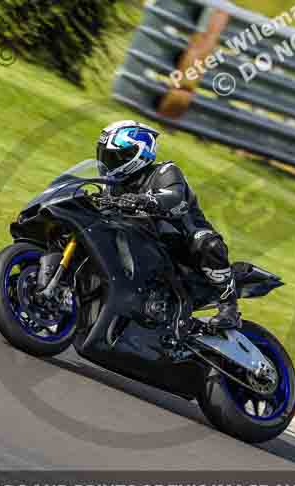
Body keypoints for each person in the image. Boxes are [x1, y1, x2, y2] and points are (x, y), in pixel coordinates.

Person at [96, 120, 240, 329]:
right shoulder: (113, 186)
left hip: (181, 243)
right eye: (105, 156)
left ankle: (229, 307)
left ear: (136, 155)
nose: (107, 162)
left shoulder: (165, 172)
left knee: (207, 243)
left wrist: (146, 200)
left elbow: (173, 195)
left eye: (114, 157)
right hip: (143, 243)